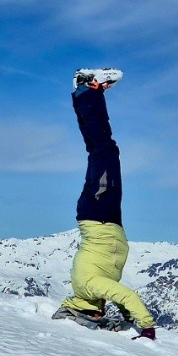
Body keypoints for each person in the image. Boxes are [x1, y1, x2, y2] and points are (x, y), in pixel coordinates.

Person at [52, 67, 157, 339]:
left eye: (96, 316)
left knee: (102, 150)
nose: (100, 314)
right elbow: (121, 299)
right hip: (106, 218)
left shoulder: (88, 287)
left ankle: (87, 91)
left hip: (98, 213)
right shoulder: (91, 291)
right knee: (105, 150)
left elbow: (123, 293)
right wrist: (127, 316)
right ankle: (90, 93)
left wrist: (146, 326)